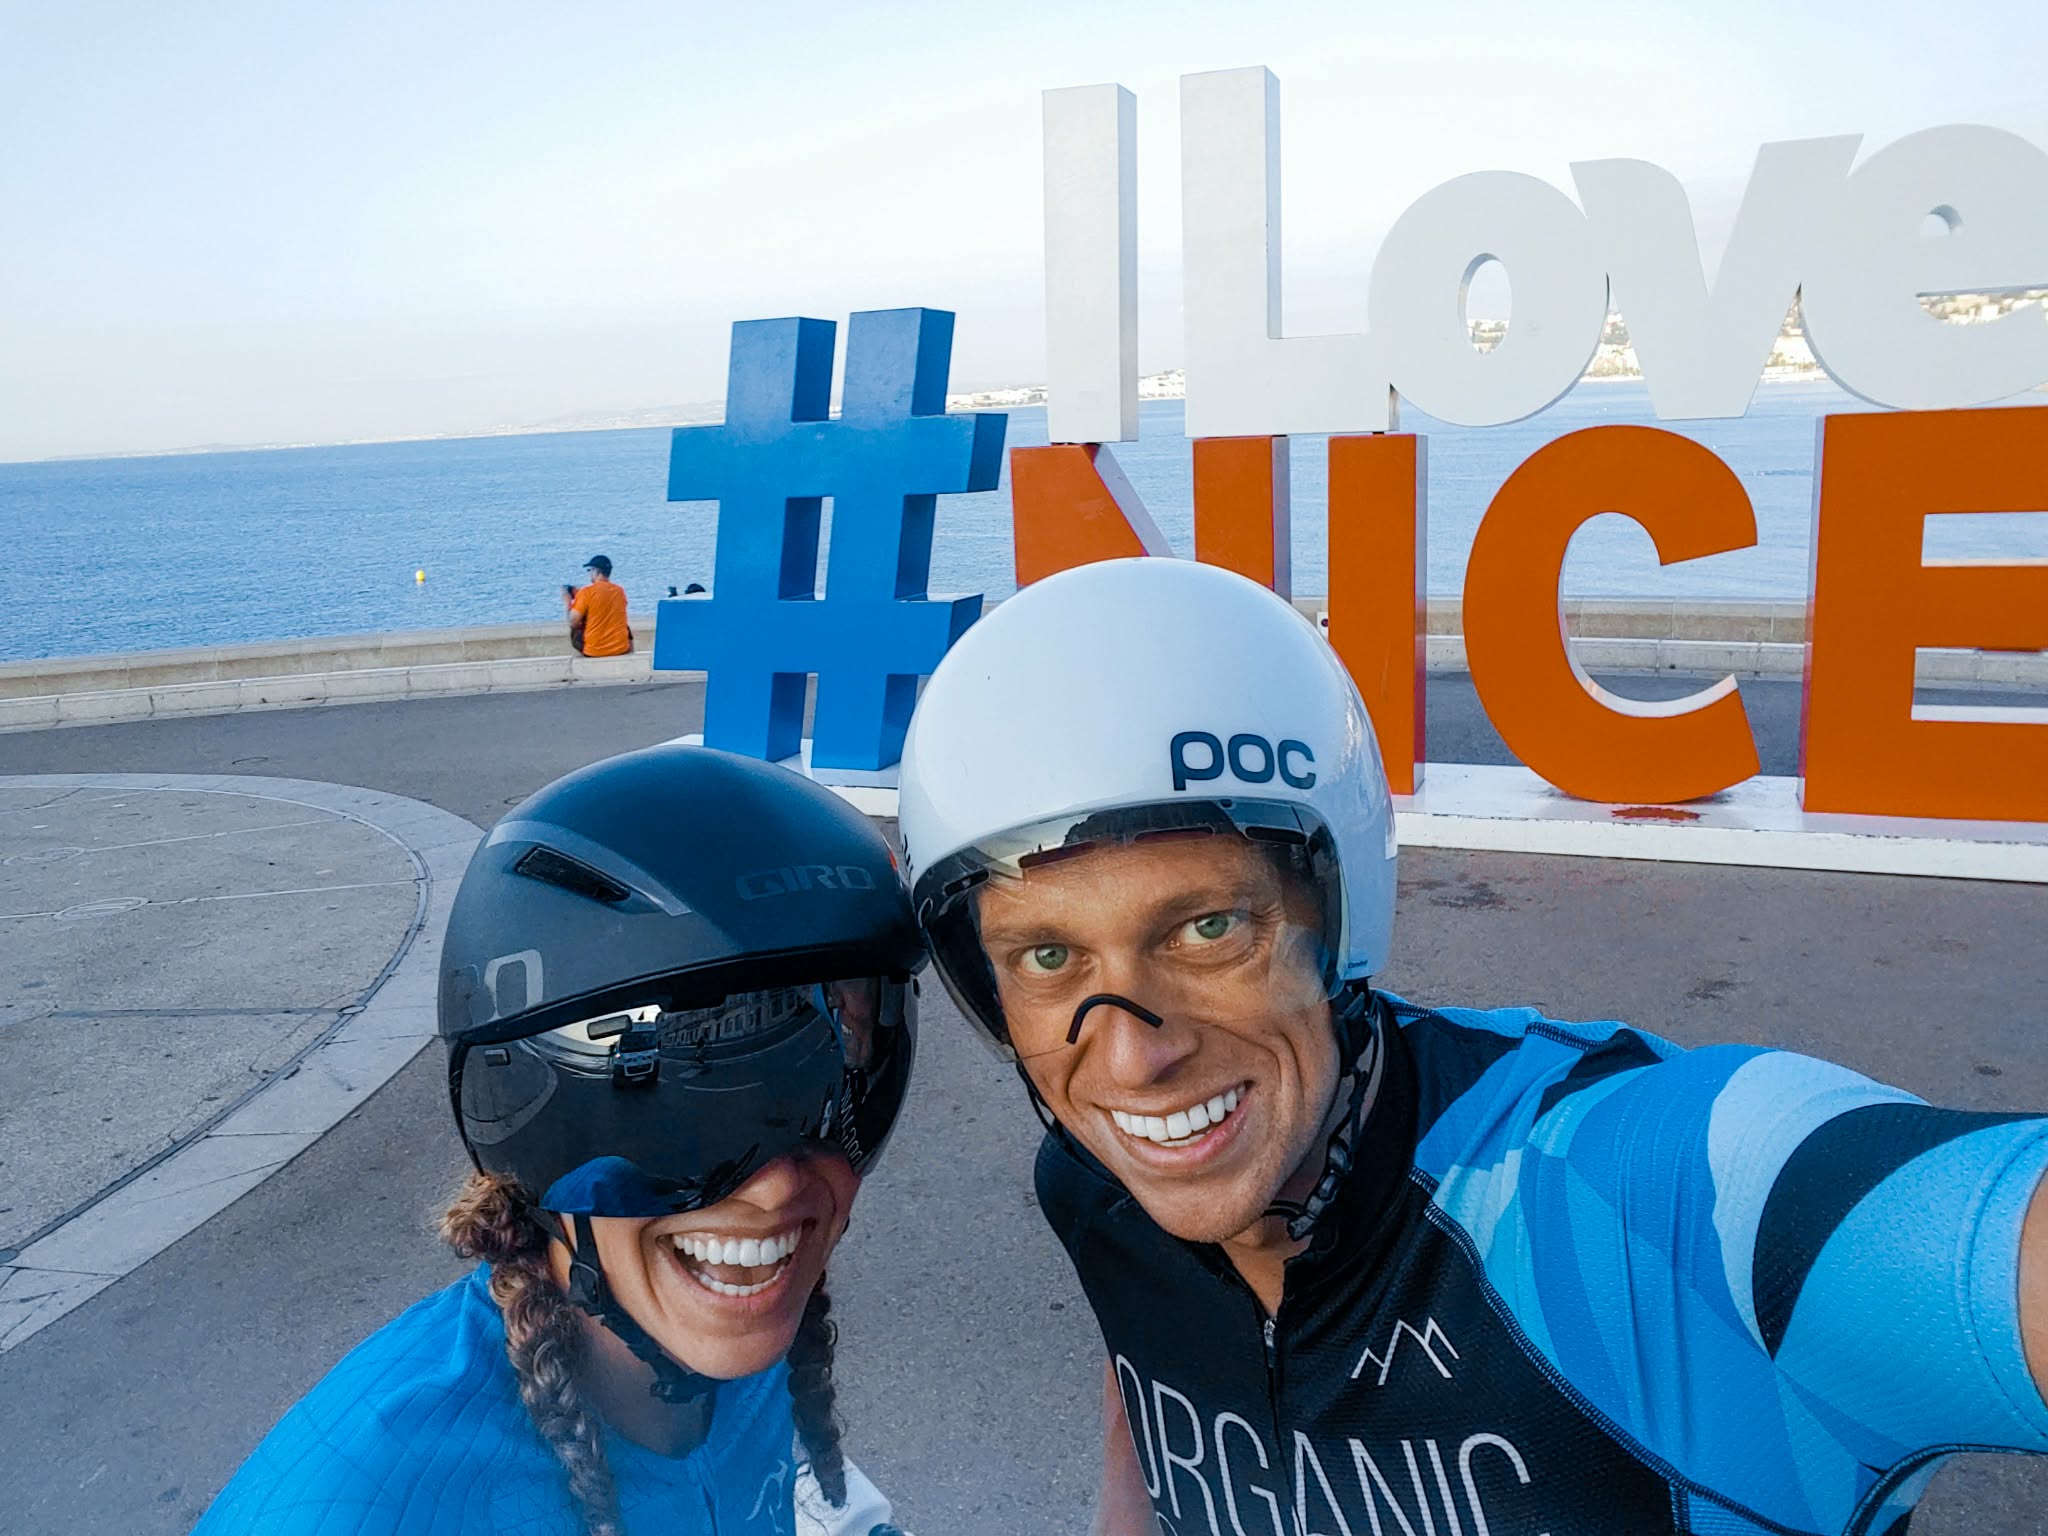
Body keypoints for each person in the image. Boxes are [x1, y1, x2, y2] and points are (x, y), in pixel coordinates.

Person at [896, 557, 2048, 1536]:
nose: (1133, 1062)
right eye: (1047, 958)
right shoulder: (1099, 1181)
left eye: (1206, 928)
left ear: (1336, 918)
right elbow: (1147, 1366)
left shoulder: (1638, 1198)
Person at [197, 744, 919, 1536]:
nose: (780, 1186)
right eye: (687, 1125)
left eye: (836, 1093)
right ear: (532, 1147)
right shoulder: (354, 1507)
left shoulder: (740, 1348)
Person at [567, 555, 633, 657]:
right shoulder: (619, 591)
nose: (590, 574)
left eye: (590, 570)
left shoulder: (586, 592)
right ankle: (630, 651)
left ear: (596, 571)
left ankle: (581, 657)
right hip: (621, 648)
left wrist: (569, 602)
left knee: (576, 627)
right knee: (625, 626)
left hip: (594, 651)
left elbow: (573, 622)